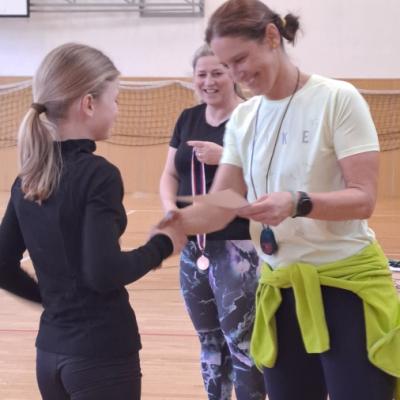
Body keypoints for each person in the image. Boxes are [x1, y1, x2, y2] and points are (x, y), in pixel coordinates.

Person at [158, 1, 400, 399]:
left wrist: (297, 202)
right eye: (226, 64)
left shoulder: (337, 99)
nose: (236, 73)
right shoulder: (244, 118)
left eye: (240, 59)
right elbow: (221, 203)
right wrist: (174, 226)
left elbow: (363, 198)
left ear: (272, 37)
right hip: (280, 288)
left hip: (347, 289)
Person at [0, 43, 186, 400]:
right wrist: (162, 245)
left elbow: (2, 265)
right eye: (114, 100)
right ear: (88, 104)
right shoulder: (98, 175)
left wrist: (51, 302)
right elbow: (103, 272)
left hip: (50, 355)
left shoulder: (28, 178)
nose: (117, 110)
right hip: (101, 355)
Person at [159, 44, 266, 400]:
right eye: (201, 74)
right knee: (208, 342)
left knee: (241, 343)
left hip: (239, 249)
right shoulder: (187, 118)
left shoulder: (252, 117)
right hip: (194, 249)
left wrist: (226, 158)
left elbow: (267, 181)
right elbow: (169, 174)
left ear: (233, 75)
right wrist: (171, 211)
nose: (209, 81)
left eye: (217, 73)